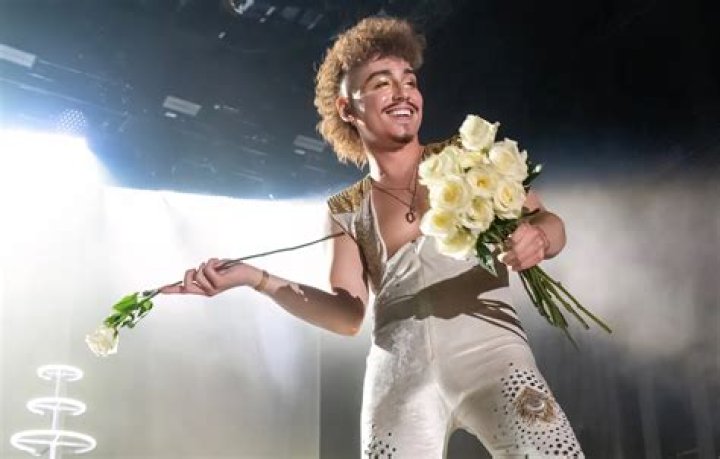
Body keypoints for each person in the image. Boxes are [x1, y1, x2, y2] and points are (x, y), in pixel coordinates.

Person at [163, 17, 584, 458]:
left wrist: (538, 236)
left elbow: (549, 221)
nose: (403, 93)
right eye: (382, 83)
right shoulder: (345, 209)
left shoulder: (465, 157)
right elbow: (347, 316)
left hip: (494, 358)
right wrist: (256, 279)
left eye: (410, 81)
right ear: (348, 109)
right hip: (399, 375)